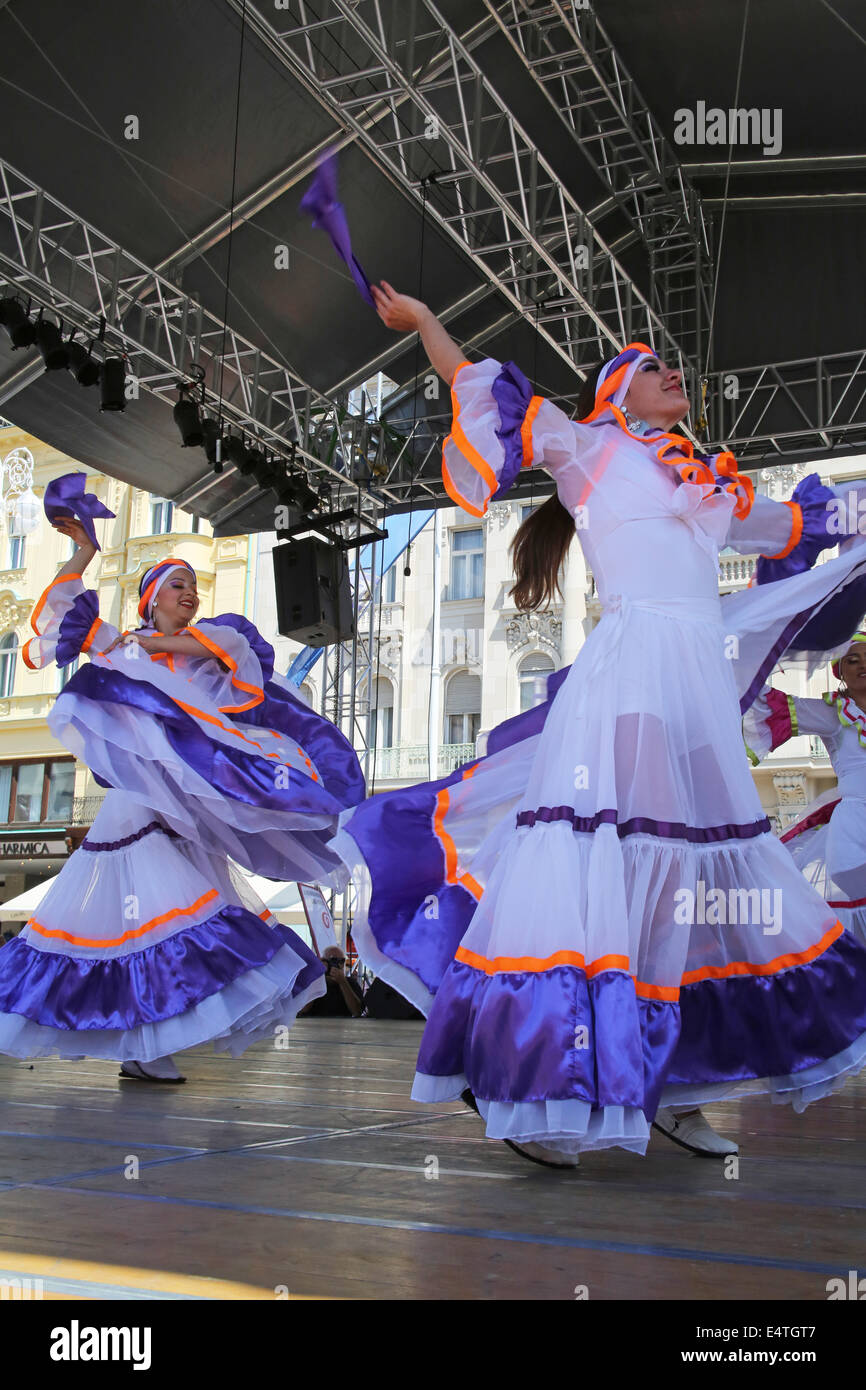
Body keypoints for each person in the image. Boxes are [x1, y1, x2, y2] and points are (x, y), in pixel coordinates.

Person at [333, 282, 866, 1168]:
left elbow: (800, 524)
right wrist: (428, 324)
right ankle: (542, 1086)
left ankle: (678, 1085)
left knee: (694, 882)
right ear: (619, 392)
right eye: (657, 368)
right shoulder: (589, 449)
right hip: (629, 684)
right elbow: (479, 382)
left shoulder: (709, 484)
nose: (676, 374)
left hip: (695, 689)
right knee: (628, 869)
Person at [0, 486, 366, 1080]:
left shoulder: (199, 656)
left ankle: (146, 1050)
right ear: (149, 598)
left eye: (193, 585)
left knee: (153, 933)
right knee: (163, 927)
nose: (191, 594)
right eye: (177, 585)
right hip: (139, 813)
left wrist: (150, 643)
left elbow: (241, 651)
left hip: (179, 821)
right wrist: (83, 553)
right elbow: (52, 622)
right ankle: (144, 1049)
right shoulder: (123, 655)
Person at [744, 632, 866, 948]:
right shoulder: (835, 713)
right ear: (841, 672)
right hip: (856, 828)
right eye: (852, 660)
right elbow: (770, 705)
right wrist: (746, 664)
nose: (862, 666)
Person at [300, 946, 364, 1017]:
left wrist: (343, 982)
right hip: (314, 1025)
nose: (338, 964)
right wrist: (318, 976)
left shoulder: (351, 983)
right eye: (333, 960)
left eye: (342, 961)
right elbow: (303, 1010)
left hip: (342, 1026)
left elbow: (357, 1011)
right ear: (323, 962)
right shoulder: (312, 981)